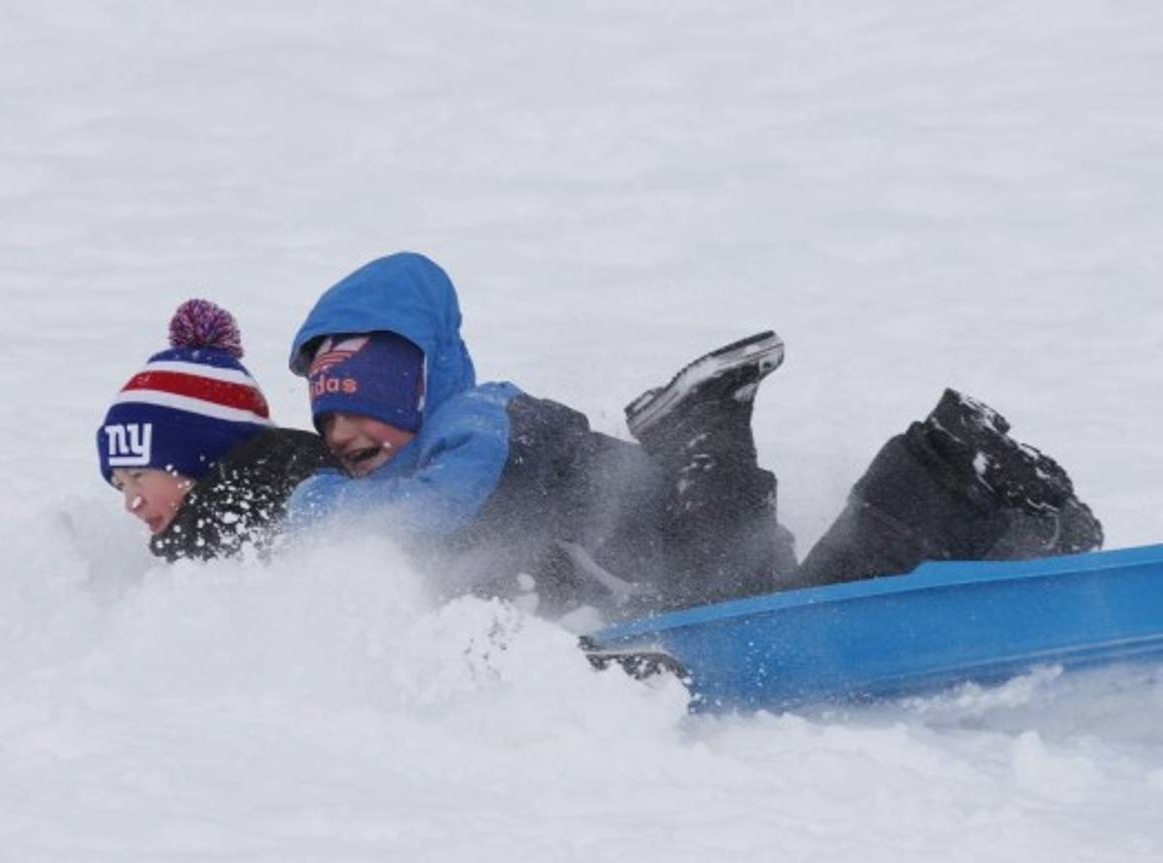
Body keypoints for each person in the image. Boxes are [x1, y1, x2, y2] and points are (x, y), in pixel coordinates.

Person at [284, 252, 1103, 618]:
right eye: (328, 419)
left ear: (421, 386)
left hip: (671, 553)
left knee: (780, 619)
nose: (346, 431)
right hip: (668, 563)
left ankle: (956, 472)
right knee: (814, 604)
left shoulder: (469, 428)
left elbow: (441, 509)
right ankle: (976, 495)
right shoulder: (423, 463)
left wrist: (316, 516)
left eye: (364, 404)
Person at [96, 299, 334, 560]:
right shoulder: (211, 533)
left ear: (203, 458)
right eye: (121, 485)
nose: (131, 504)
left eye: (138, 475)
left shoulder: (294, 515)